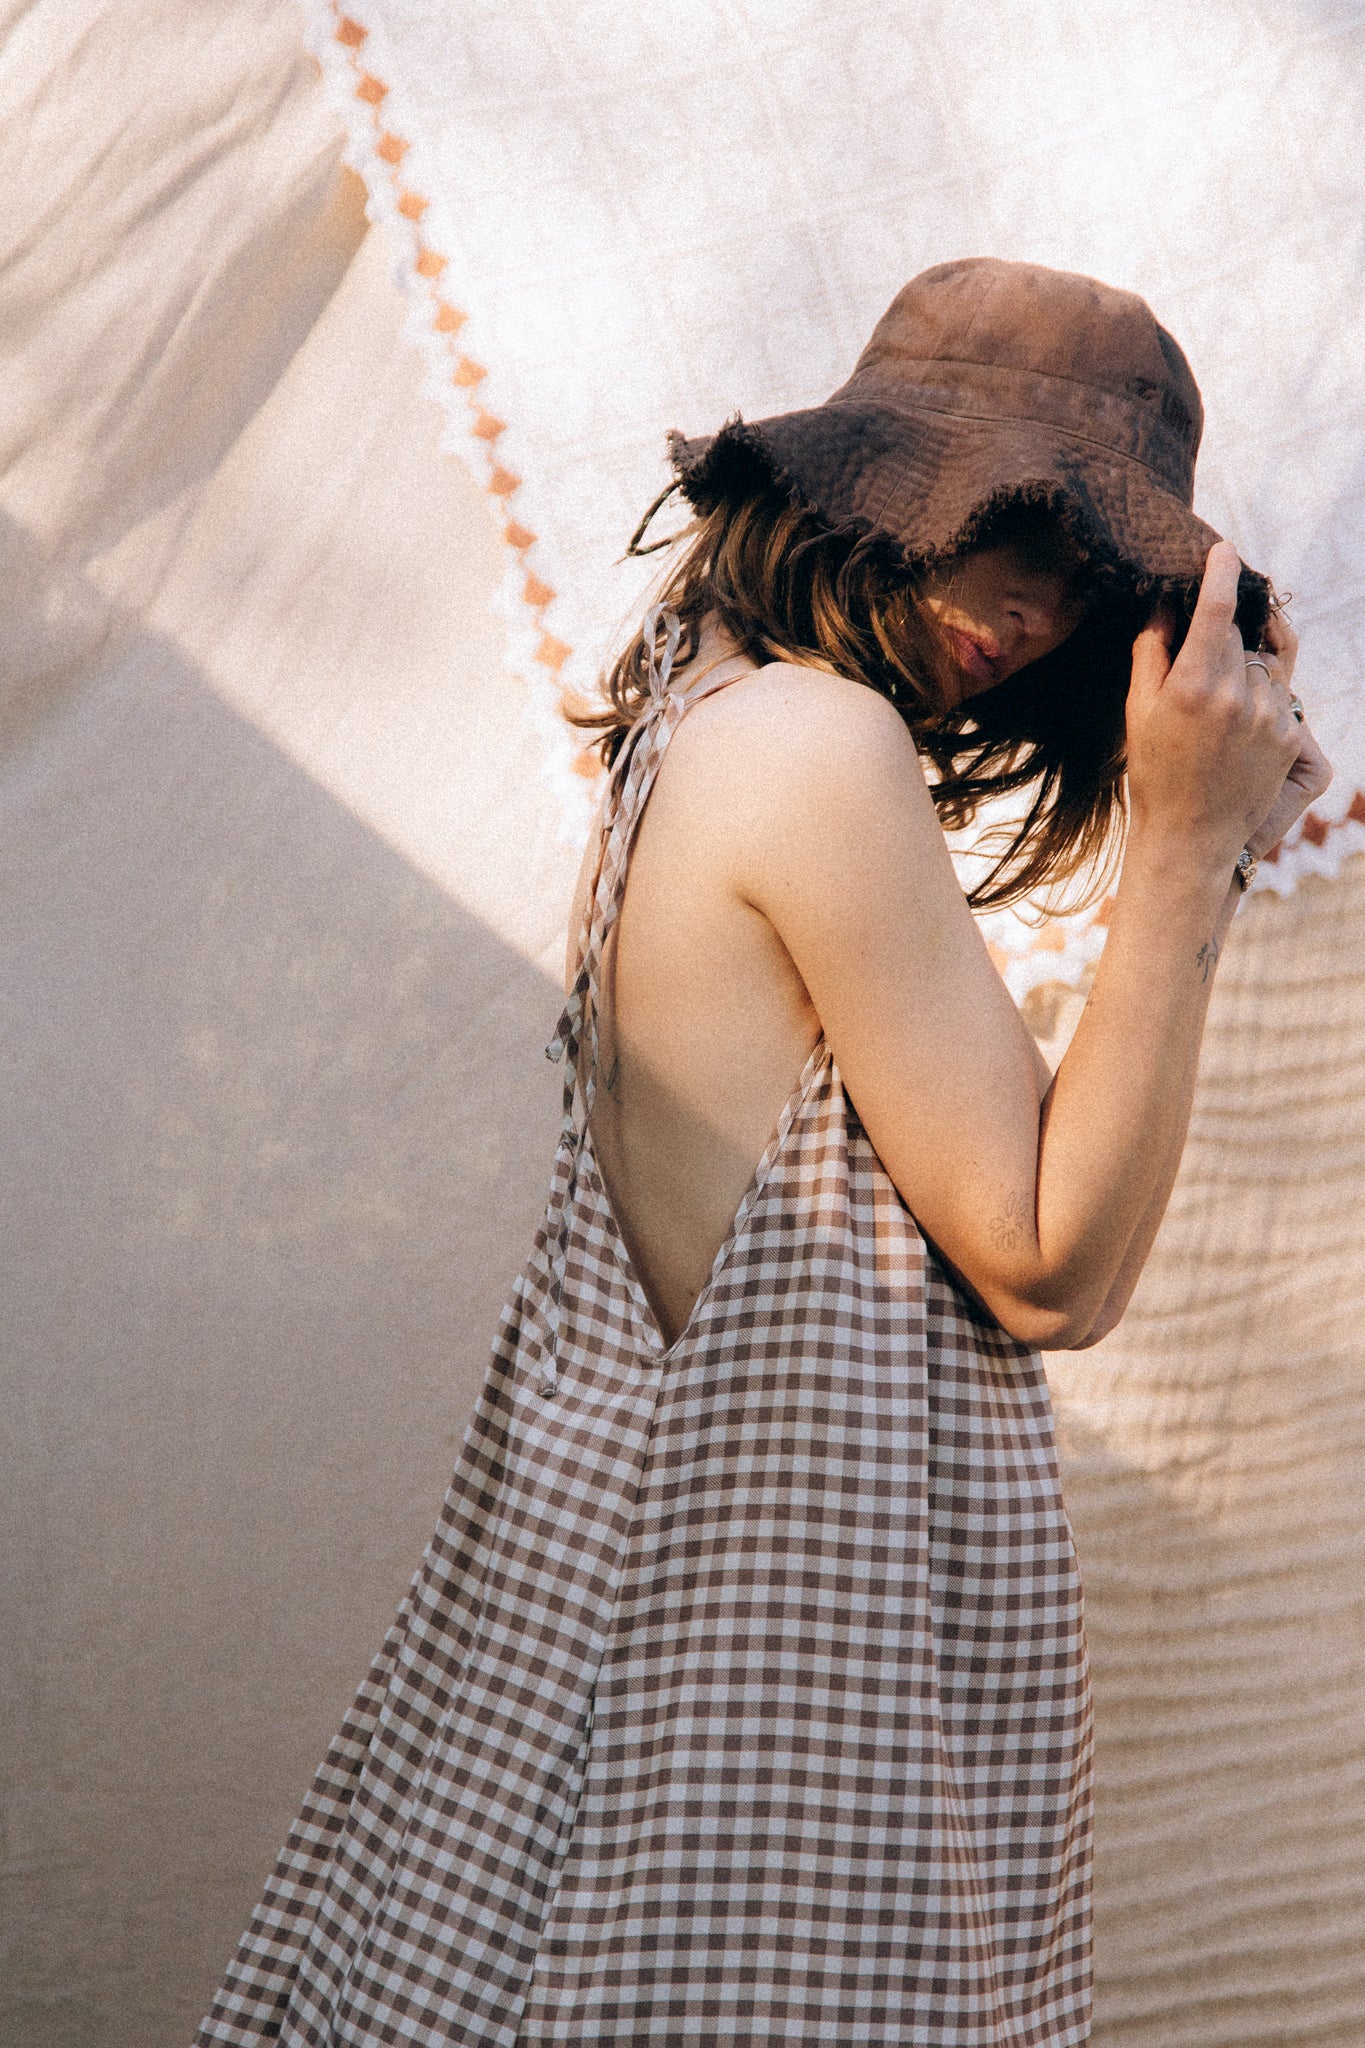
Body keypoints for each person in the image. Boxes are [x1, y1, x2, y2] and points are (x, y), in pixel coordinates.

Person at [197, 259, 1331, 2046]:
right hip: (736, 1756)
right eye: (1004, 526)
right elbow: (1055, 1264)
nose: (1031, 607)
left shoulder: (704, 708)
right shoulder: (814, 746)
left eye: (1083, 571)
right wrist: (1182, 853)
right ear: (875, 482)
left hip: (647, 1714)